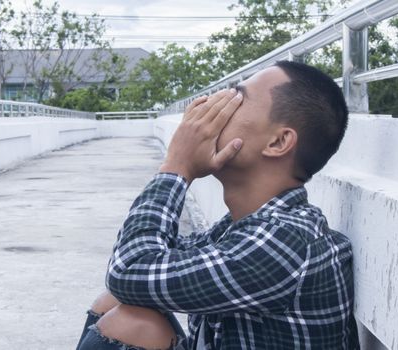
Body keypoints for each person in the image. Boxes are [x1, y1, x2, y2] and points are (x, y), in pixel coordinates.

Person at [76, 61, 360, 350]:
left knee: (131, 323)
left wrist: (175, 168)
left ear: (278, 142)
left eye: (235, 98)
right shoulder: (248, 225)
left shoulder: (285, 243)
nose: (210, 105)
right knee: (115, 304)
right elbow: (147, 264)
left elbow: (129, 269)